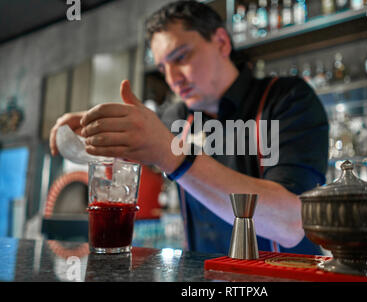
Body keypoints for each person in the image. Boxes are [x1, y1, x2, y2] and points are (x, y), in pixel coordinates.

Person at [50, 0, 329, 255]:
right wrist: (97, 127)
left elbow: (292, 223)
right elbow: (135, 146)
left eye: (181, 57)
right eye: (163, 68)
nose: (173, 79)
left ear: (221, 42)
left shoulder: (288, 99)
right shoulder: (175, 116)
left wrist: (171, 155)